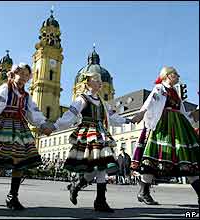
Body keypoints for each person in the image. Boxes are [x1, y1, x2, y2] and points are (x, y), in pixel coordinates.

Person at [0, 62, 53, 210]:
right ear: (13, 74)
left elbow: (33, 112)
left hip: (20, 128)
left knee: (20, 162)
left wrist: (42, 124)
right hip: (4, 126)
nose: (24, 77)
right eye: (21, 74)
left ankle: (12, 197)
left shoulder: (26, 96)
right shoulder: (6, 88)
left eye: (27, 75)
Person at [49, 71, 132, 212]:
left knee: (101, 166)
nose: (100, 82)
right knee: (98, 166)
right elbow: (70, 115)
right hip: (88, 133)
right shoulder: (82, 99)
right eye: (96, 80)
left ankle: (93, 196)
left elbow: (113, 117)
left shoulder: (103, 103)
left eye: (101, 80)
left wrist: (128, 120)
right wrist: (55, 126)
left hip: (101, 133)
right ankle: (97, 199)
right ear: (88, 82)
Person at [130, 66, 199, 206]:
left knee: (186, 160)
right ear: (168, 76)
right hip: (162, 125)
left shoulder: (175, 92)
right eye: (176, 74)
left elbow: (183, 112)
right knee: (152, 158)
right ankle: (143, 192)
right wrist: (141, 113)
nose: (178, 76)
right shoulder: (160, 88)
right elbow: (150, 102)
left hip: (178, 126)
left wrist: (194, 117)